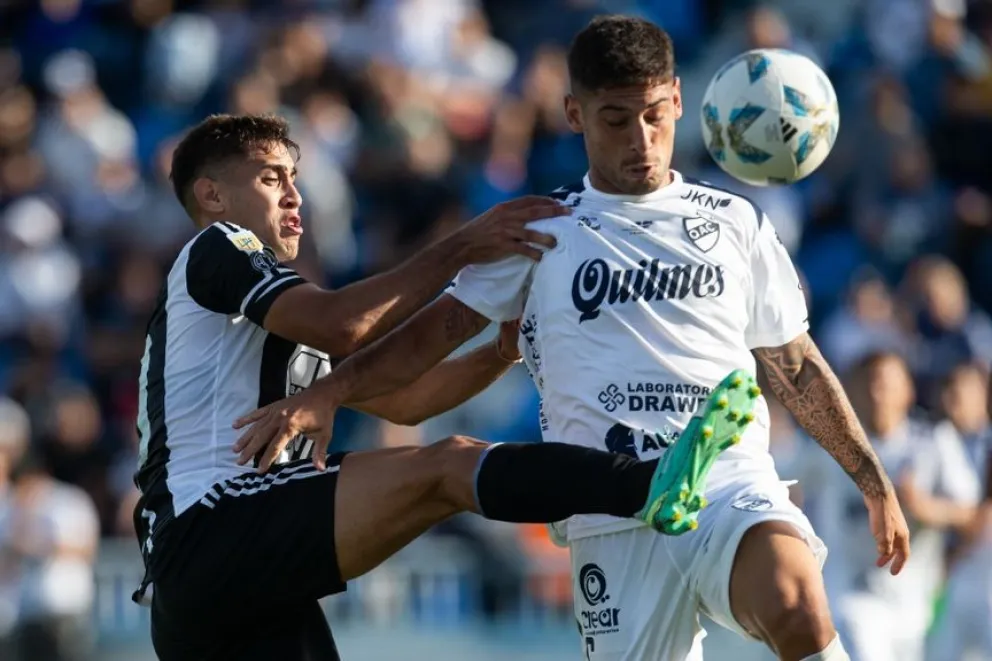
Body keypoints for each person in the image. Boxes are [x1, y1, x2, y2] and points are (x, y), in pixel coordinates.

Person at [235, 16, 912, 661]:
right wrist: (330, 393)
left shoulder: (736, 221)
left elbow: (795, 364)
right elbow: (423, 345)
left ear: (679, 100)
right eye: (616, 120)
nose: (640, 140)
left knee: (796, 602)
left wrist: (872, 479)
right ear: (574, 114)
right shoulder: (537, 232)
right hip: (608, 511)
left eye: (654, 115)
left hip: (723, 479)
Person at [132, 112, 756, 661]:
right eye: (272, 179)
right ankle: (649, 482)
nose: (296, 196)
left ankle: (649, 485)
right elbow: (345, 325)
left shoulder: (259, 320)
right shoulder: (217, 247)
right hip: (212, 527)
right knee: (449, 467)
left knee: (447, 465)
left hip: (220, 581)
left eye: (295, 178)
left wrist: (499, 353)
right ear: (212, 195)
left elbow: (408, 399)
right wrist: (464, 244)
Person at [796, 352, 980, 661]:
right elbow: (780, 477)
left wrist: (925, 507)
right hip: (853, 596)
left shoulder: (933, 441)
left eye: (886, 383)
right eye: (869, 383)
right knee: (860, 635)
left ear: (908, 390)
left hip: (917, 604)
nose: (877, 393)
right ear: (850, 392)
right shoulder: (831, 447)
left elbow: (972, 515)